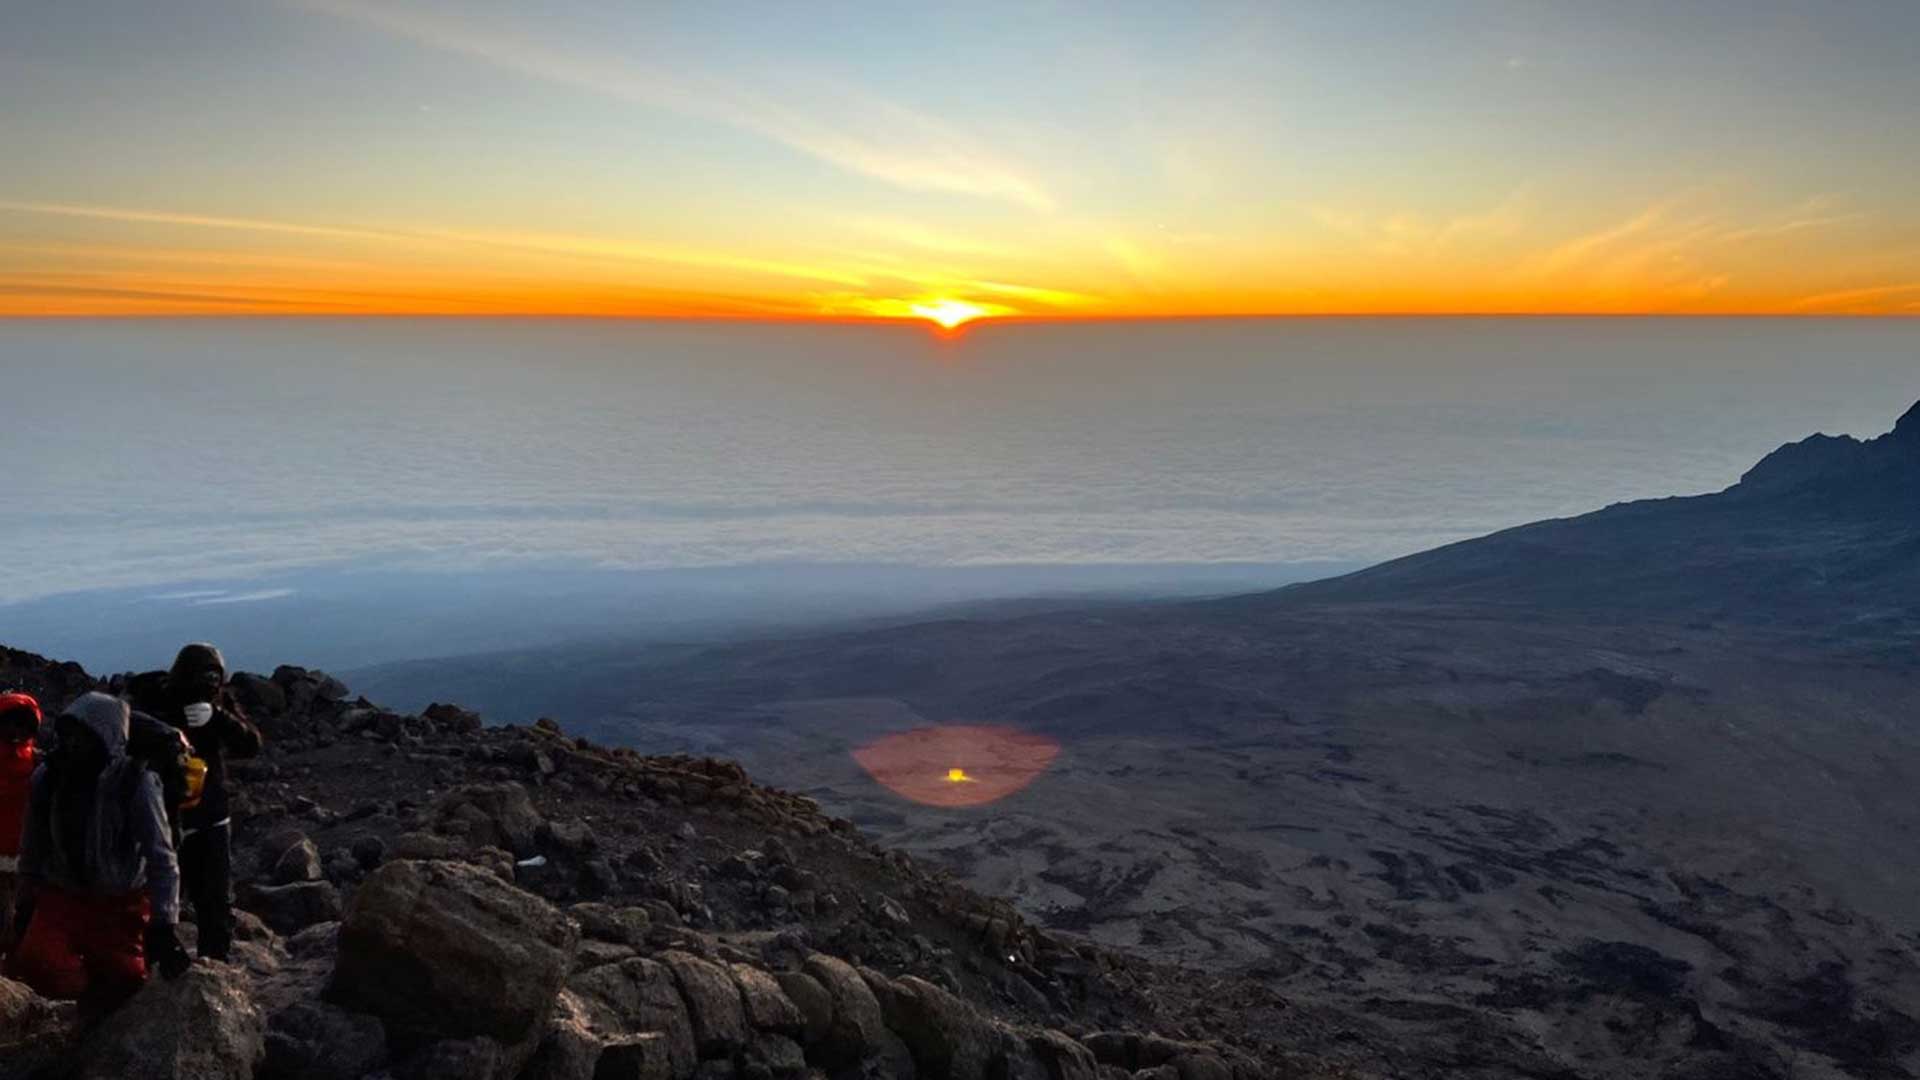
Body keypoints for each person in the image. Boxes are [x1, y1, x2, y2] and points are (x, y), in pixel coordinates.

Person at [5, 693, 189, 1016]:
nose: (73, 743)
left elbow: (161, 857)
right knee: (36, 962)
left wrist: (164, 925)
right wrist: (25, 903)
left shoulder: (135, 783)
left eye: (83, 736)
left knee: (126, 980)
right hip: (62, 897)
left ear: (107, 738)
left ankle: (97, 1004)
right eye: (69, 734)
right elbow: (32, 846)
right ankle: (89, 996)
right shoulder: (49, 777)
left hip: (121, 904)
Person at [125, 643, 261, 962]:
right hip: (162, 817)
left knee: (213, 901)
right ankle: (153, 963)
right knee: (159, 897)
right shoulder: (152, 702)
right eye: (207, 677)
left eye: (216, 678)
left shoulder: (216, 705)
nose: (212, 685)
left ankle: (213, 965)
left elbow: (250, 744)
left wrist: (219, 718)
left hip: (208, 816)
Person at [0, 691, 42, 957]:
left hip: (23, 849)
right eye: (11, 723)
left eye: (22, 725)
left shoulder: (39, 762)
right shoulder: (39, 762)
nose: (16, 731)